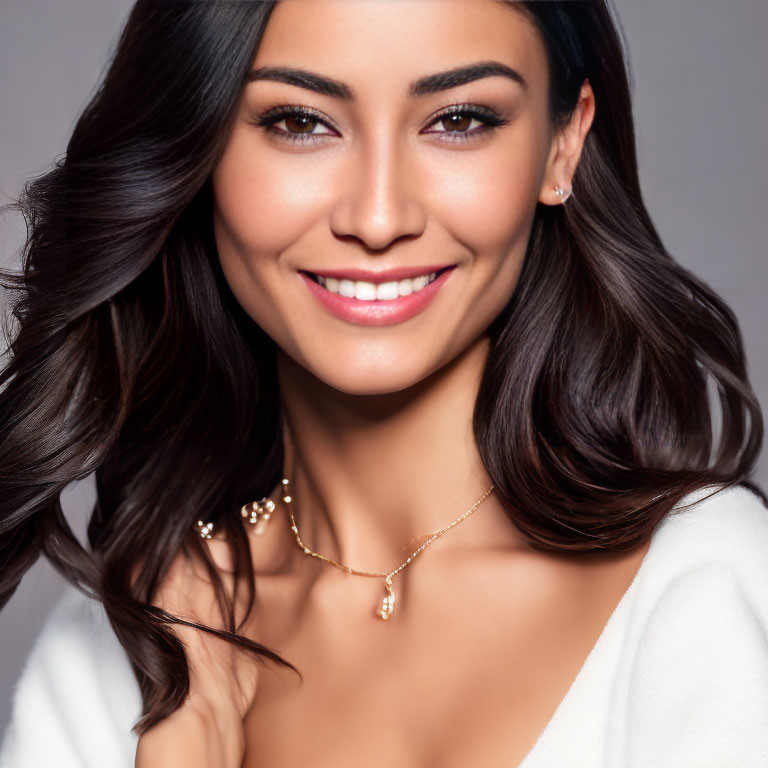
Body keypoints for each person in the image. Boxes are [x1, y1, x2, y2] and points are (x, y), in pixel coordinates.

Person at [1, 0, 766, 766]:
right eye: (299, 122)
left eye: (459, 119)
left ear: (562, 145)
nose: (376, 217)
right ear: (199, 150)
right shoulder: (119, 644)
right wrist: (185, 730)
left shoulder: (702, 587)